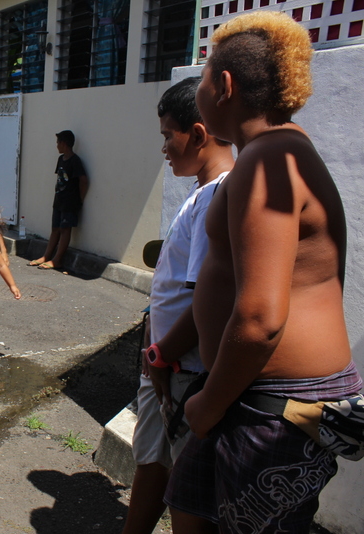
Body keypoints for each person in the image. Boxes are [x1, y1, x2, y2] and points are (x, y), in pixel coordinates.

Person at [158, 12, 362, 533]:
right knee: (189, 507)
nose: (200, 87)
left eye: (204, 78)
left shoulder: (267, 163)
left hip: (270, 404)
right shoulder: (278, 155)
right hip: (245, 392)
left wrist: (209, 403)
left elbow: (260, 318)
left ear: (223, 87)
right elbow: (223, 285)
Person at [121, 77, 234, 534]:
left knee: (187, 487)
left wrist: (164, 353)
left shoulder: (216, 197)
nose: (165, 147)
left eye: (169, 135)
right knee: (153, 461)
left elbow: (210, 299)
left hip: (184, 370)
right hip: (169, 363)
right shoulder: (201, 194)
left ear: (200, 134)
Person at [29, 130, 89, 270]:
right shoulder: (61, 159)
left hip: (70, 202)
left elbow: (83, 180)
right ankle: (46, 256)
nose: (56, 146)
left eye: (58, 143)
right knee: (55, 229)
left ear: (64, 143)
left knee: (65, 229)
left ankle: (58, 259)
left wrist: (80, 198)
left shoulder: (75, 161)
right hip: (59, 200)